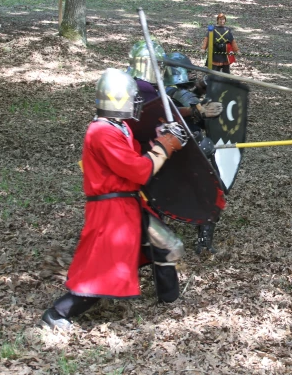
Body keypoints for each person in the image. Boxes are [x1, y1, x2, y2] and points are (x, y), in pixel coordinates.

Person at [41, 69, 188, 330]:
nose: (136, 101)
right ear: (118, 100)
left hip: (129, 206)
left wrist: (160, 137)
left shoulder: (118, 127)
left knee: (168, 245)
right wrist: (165, 145)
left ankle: (170, 304)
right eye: (132, 97)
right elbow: (139, 170)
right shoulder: (100, 132)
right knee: (104, 272)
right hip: (111, 212)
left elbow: (136, 159)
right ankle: (57, 314)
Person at [163, 53, 226, 253]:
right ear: (179, 72)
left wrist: (202, 87)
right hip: (191, 151)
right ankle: (204, 242)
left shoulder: (161, 90)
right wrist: (203, 105)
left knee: (165, 195)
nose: (191, 75)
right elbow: (197, 115)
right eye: (188, 71)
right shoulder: (179, 94)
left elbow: (188, 99)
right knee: (211, 191)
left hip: (167, 151)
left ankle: (158, 232)